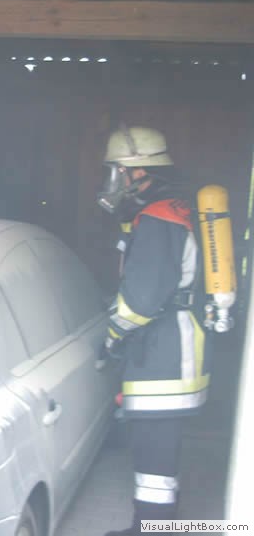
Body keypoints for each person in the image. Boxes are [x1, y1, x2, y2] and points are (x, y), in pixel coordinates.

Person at [96, 126, 210, 536]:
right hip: (175, 347)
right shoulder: (175, 209)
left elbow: (142, 299)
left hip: (163, 353)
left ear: (139, 172)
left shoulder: (158, 218)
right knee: (159, 451)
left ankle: (152, 530)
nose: (113, 180)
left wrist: (111, 337)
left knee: (154, 453)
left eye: (117, 171)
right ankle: (154, 526)